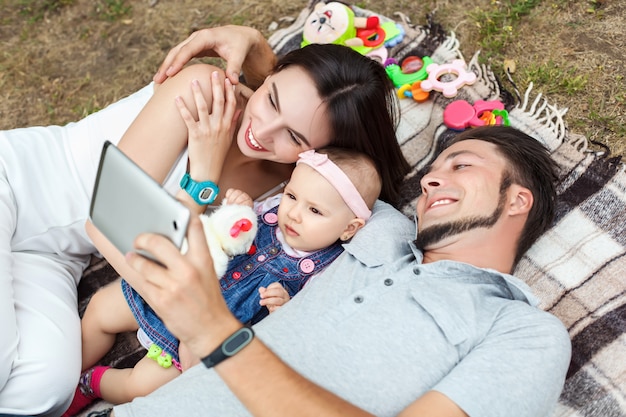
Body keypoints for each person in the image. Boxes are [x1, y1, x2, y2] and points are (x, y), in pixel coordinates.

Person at [0, 25, 410, 415]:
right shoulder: (204, 92)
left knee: (42, 393)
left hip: (56, 257)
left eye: (295, 137)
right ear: (271, 75)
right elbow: (104, 220)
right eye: (271, 100)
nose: (263, 131)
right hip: (15, 185)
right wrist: (203, 179)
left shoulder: (291, 191)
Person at [107, 125, 571, 417]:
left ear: (517, 199)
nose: (430, 179)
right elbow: (323, 133)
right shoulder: (382, 226)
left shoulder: (523, 332)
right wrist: (254, 56)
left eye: (462, 165)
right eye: (433, 168)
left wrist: (215, 334)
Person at [65, 147, 381, 415]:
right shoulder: (270, 213)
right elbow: (222, 229)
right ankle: (65, 372)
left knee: (142, 386)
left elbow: (299, 325)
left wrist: (282, 307)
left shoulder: (325, 271)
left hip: (191, 341)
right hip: (168, 286)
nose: (294, 214)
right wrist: (238, 208)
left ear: (349, 228)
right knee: (101, 309)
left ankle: (93, 382)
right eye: (292, 195)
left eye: (314, 210)